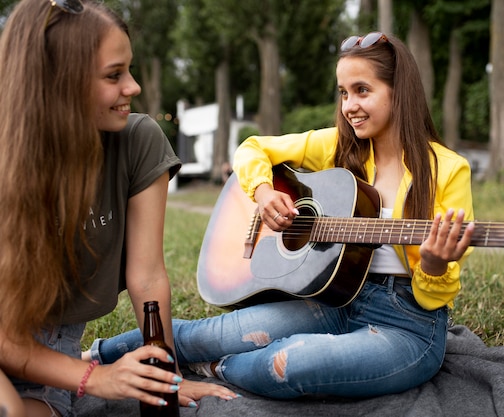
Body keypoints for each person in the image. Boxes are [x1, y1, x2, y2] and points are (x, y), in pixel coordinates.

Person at [87, 32, 475, 399]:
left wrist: (434, 264)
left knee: (290, 361)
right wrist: (263, 191)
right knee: (208, 333)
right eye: (343, 93)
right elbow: (252, 148)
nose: (349, 106)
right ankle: (94, 357)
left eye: (362, 91)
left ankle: (214, 370)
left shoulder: (448, 169)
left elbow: (434, 296)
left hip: (406, 325)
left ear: (399, 92)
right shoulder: (339, 146)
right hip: (334, 302)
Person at [0, 1, 236, 416]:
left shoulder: (138, 141)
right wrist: (97, 378)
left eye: (128, 69)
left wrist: (166, 378)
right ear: (60, 83)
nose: (134, 87)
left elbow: (147, 277)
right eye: (114, 75)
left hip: (53, 358)